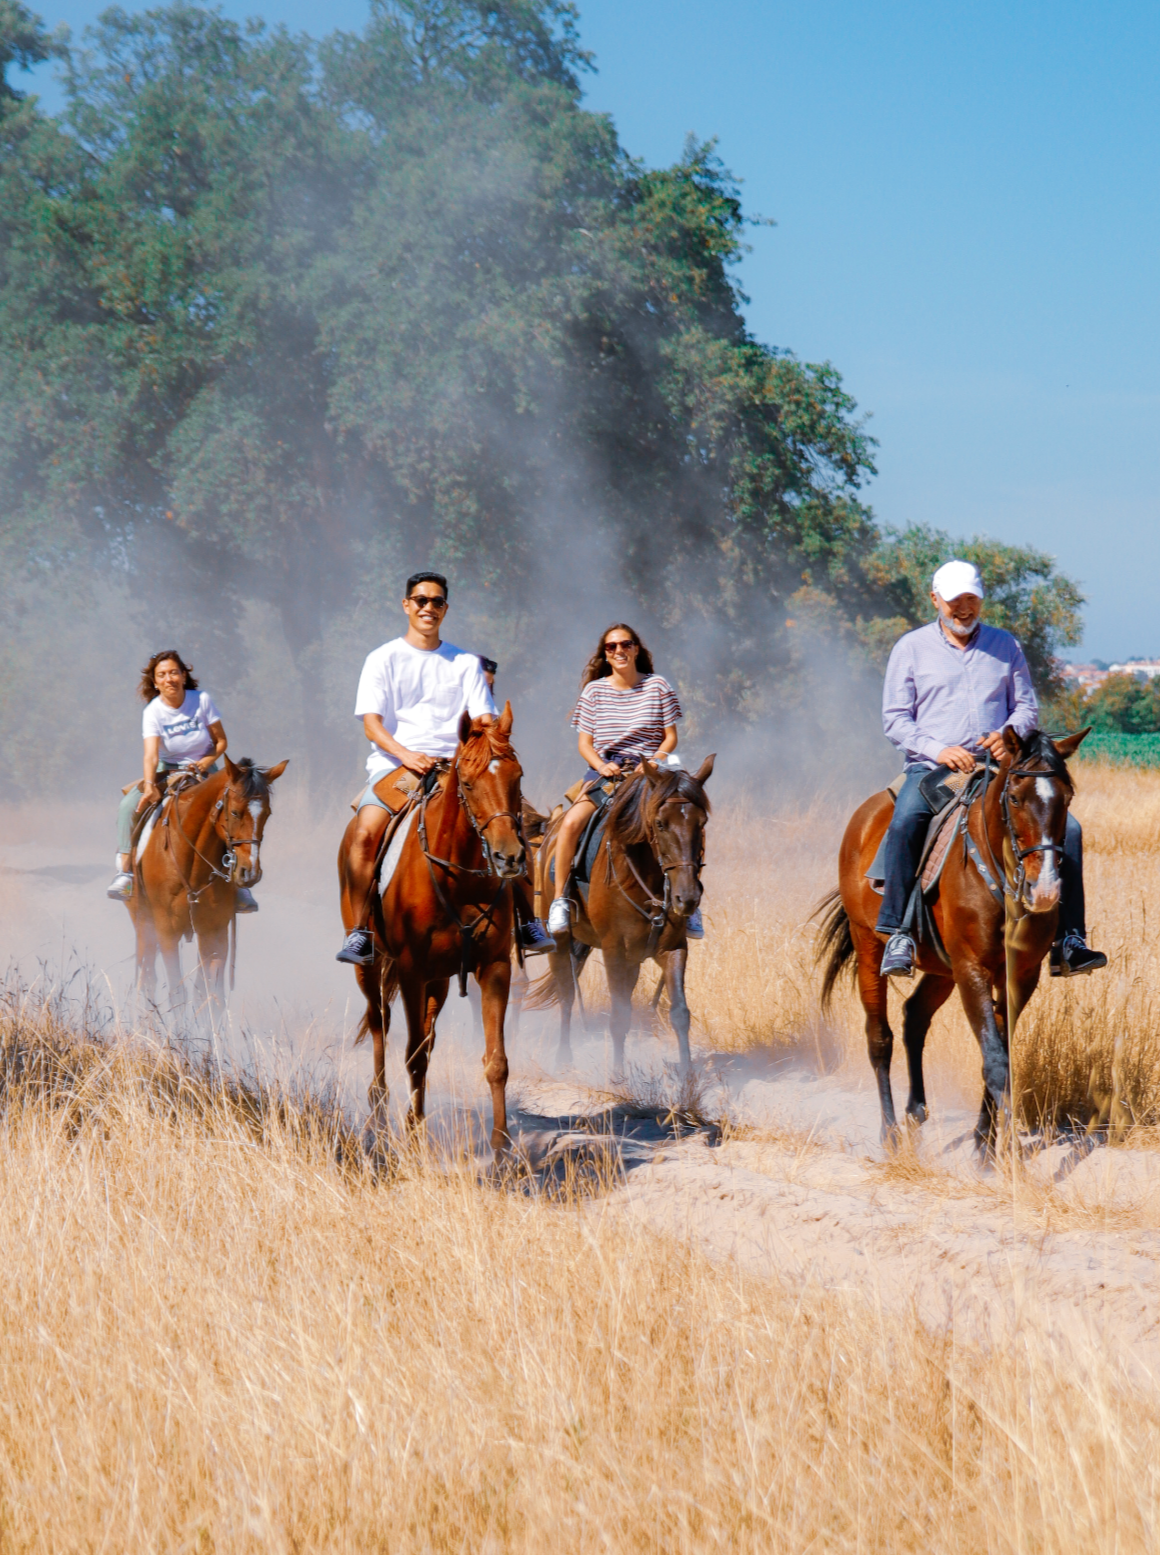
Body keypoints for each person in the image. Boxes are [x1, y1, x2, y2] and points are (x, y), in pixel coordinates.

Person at [877, 558, 1105, 980]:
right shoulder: (910, 648)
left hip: (1000, 767)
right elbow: (895, 719)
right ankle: (898, 932)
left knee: (1068, 830)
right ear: (935, 600)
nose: (964, 609)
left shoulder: (1006, 645)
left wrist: (1007, 734)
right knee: (907, 819)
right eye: (954, 601)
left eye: (971, 600)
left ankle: (1069, 940)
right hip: (933, 768)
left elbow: (1026, 706)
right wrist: (939, 749)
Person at [336, 573, 553, 965]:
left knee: (515, 826)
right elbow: (372, 724)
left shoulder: (465, 662)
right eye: (420, 600)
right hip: (400, 769)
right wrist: (407, 755)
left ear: (445, 609)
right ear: (406, 605)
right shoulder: (382, 658)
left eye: (436, 602)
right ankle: (361, 931)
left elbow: (484, 719)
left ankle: (527, 922)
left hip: (462, 768)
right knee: (365, 833)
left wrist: (482, 750)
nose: (427, 608)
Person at [545, 623, 703, 939]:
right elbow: (585, 745)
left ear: (636, 649)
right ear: (605, 654)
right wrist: (601, 766)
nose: (619, 651)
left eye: (625, 644)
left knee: (684, 822)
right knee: (570, 825)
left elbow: (670, 737)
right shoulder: (594, 691)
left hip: (652, 774)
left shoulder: (658, 686)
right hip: (608, 774)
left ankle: (691, 908)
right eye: (611, 647)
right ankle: (561, 900)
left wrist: (652, 765)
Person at [107, 650, 259, 912]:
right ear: (155, 682)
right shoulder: (153, 711)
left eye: (174, 672)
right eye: (162, 675)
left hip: (205, 768)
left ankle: (239, 885)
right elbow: (151, 754)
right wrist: (150, 786)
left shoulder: (201, 700)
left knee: (236, 809)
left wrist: (204, 762)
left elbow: (221, 741)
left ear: (184, 675)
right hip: (169, 769)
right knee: (127, 807)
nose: (169, 679)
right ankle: (126, 874)